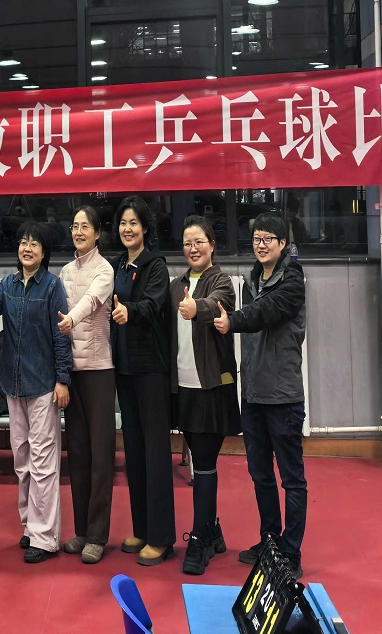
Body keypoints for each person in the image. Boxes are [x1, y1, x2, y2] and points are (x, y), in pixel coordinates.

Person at [214, 212, 307, 578]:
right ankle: (270, 542)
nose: (261, 244)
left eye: (269, 238)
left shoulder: (293, 280)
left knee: (292, 480)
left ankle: (291, 552)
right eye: (257, 238)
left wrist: (233, 321)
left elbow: (266, 312)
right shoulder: (253, 279)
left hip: (283, 397)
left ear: (283, 244)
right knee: (260, 475)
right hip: (253, 395)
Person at [0, 222, 70, 564]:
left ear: (44, 253)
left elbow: (61, 335)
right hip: (13, 387)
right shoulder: (9, 284)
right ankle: (30, 526)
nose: (27, 248)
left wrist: (62, 379)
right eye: (23, 242)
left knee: (43, 464)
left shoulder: (53, 286)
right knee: (22, 461)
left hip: (42, 385)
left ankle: (47, 538)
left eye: (34, 244)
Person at [169, 214, 239, 575]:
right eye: (187, 243)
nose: (193, 248)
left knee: (205, 462)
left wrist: (197, 308)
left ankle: (199, 538)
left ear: (212, 244)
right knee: (198, 458)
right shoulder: (176, 284)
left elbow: (217, 305)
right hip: (183, 387)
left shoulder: (221, 281)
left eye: (199, 242)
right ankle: (211, 530)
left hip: (212, 387)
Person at [110, 195, 175, 566]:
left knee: (155, 453)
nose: (127, 229)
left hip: (150, 369)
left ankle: (161, 537)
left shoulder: (156, 265)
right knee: (133, 451)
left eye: (133, 222)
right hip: (124, 368)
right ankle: (142, 527)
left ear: (145, 227)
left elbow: (151, 306)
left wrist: (128, 312)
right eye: (123, 222)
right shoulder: (119, 264)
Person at [58, 205, 116, 565]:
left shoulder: (105, 269)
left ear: (97, 233)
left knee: (100, 456)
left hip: (98, 370)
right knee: (77, 454)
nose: (79, 231)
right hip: (71, 373)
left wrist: (68, 319)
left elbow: (91, 301)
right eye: (74, 226)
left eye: (85, 226)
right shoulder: (65, 271)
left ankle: (97, 535)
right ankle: (81, 531)